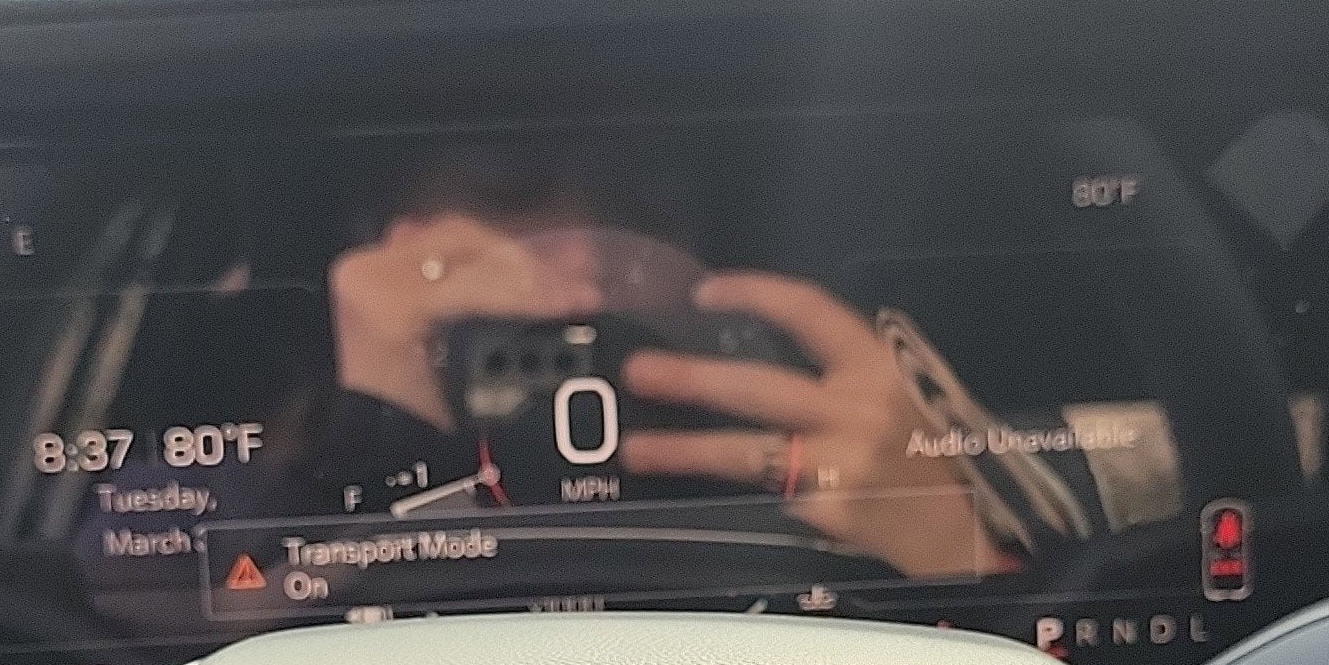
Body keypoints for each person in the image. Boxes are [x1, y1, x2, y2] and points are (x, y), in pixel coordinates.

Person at [317, 198, 1007, 580]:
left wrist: (948, 547)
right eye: (512, 191)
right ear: (402, 238)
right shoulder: (315, 417)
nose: (588, 250)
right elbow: (265, 646)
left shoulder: (806, 417)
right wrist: (382, 404)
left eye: (633, 194)